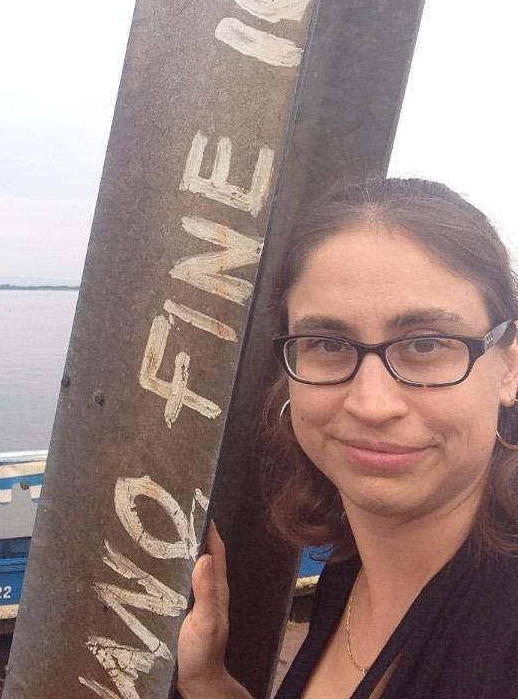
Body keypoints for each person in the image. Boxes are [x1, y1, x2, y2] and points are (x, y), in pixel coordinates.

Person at [176, 176, 518, 699]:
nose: (371, 404)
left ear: (509, 366)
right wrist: (208, 684)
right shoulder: (350, 569)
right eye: (329, 343)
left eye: (426, 344)